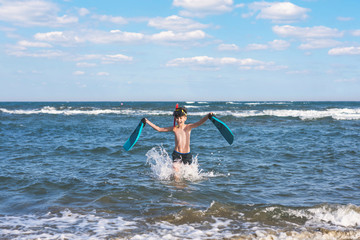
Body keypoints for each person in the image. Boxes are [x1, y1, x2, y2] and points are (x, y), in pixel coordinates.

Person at [144, 106, 213, 180]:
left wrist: (208, 116)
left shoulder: (188, 127)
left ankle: (185, 187)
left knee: (190, 174)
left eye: (181, 118)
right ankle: (177, 186)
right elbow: (159, 129)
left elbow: (199, 123)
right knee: (176, 170)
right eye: (177, 118)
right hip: (177, 153)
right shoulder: (174, 129)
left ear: (185, 118)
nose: (179, 120)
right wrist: (147, 121)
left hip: (187, 155)